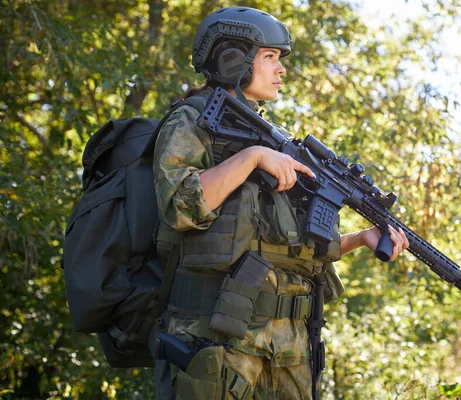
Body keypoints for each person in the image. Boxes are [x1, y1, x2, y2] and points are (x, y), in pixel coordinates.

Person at [151, 6, 409, 400]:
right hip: (219, 338)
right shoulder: (194, 121)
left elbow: (287, 247)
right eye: (270, 57)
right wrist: (251, 158)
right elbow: (179, 208)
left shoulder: (275, 140)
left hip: (288, 348)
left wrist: (361, 238)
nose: (281, 69)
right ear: (231, 59)